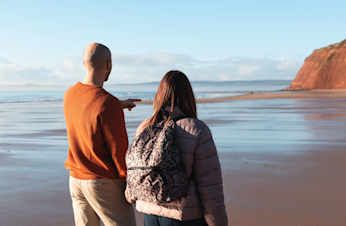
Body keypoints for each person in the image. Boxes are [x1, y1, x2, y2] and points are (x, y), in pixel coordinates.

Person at [125, 70, 228, 226]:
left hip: (150, 214)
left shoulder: (145, 127)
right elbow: (209, 187)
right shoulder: (196, 129)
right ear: (188, 96)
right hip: (184, 217)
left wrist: (130, 195)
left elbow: (135, 168)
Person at [63, 43, 140, 226]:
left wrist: (116, 105)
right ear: (109, 65)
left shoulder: (69, 94)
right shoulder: (107, 103)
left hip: (75, 179)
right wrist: (129, 184)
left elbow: (86, 110)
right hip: (102, 182)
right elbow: (119, 150)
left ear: (84, 63)